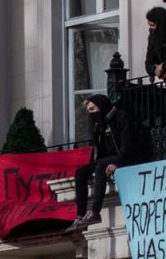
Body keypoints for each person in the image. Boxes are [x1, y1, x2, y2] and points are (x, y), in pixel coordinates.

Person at [65, 94, 153, 231]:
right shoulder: (99, 125)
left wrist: (119, 163)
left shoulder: (121, 117)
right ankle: (80, 215)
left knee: (101, 167)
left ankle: (95, 212)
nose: (91, 113)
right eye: (89, 110)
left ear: (102, 107)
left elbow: (128, 146)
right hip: (110, 157)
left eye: (93, 109)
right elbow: (98, 151)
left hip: (129, 156)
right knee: (81, 173)